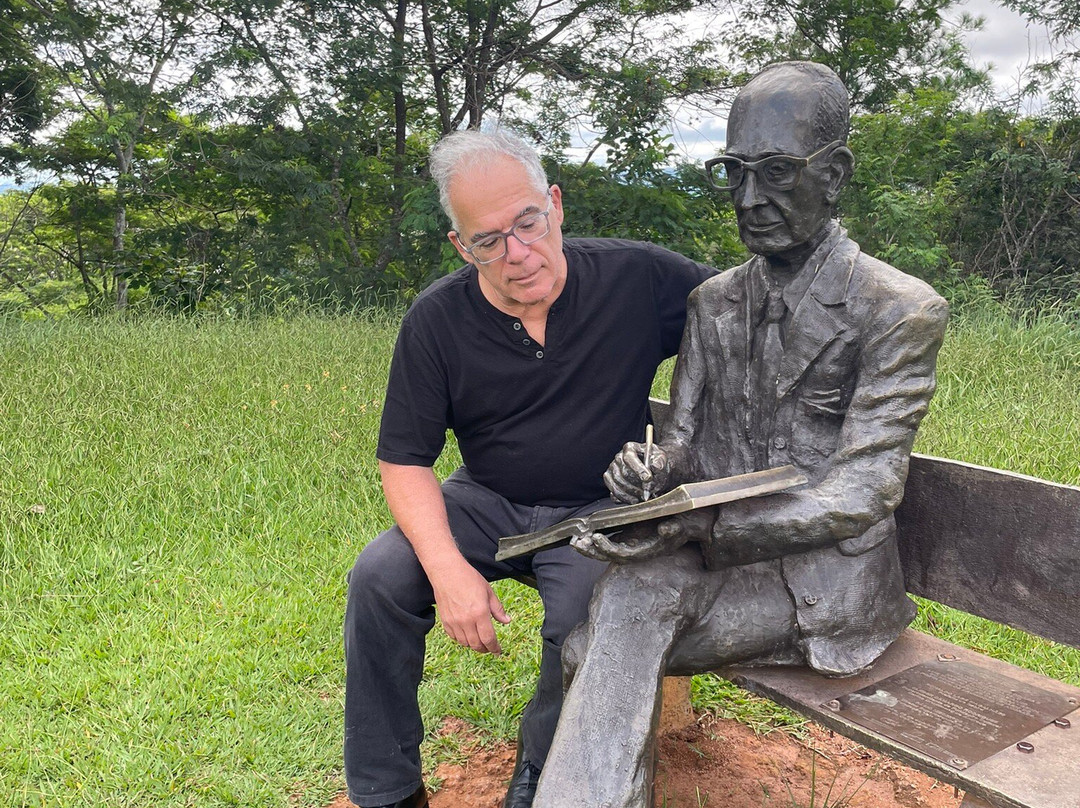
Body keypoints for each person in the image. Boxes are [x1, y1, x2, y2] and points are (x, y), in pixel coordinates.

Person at [534, 61, 949, 808]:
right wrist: (651, 472)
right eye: (735, 173)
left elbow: (867, 486)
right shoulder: (712, 301)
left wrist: (706, 527)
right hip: (713, 558)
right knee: (615, 620)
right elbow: (686, 443)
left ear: (836, 173)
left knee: (603, 638)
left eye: (778, 173)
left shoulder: (898, 309)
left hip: (823, 585)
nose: (750, 199)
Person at [343, 129, 716, 808]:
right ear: (462, 247)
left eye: (527, 222)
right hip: (485, 500)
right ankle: (388, 789)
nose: (516, 254)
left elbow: (743, 321)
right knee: (379, 577)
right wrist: (449, 572)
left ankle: (539, 776)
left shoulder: (640, 278)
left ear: (555, 205)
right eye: (488, 240)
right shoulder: (436, 321)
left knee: (584, 607)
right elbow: (403, 461)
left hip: (597, 507)